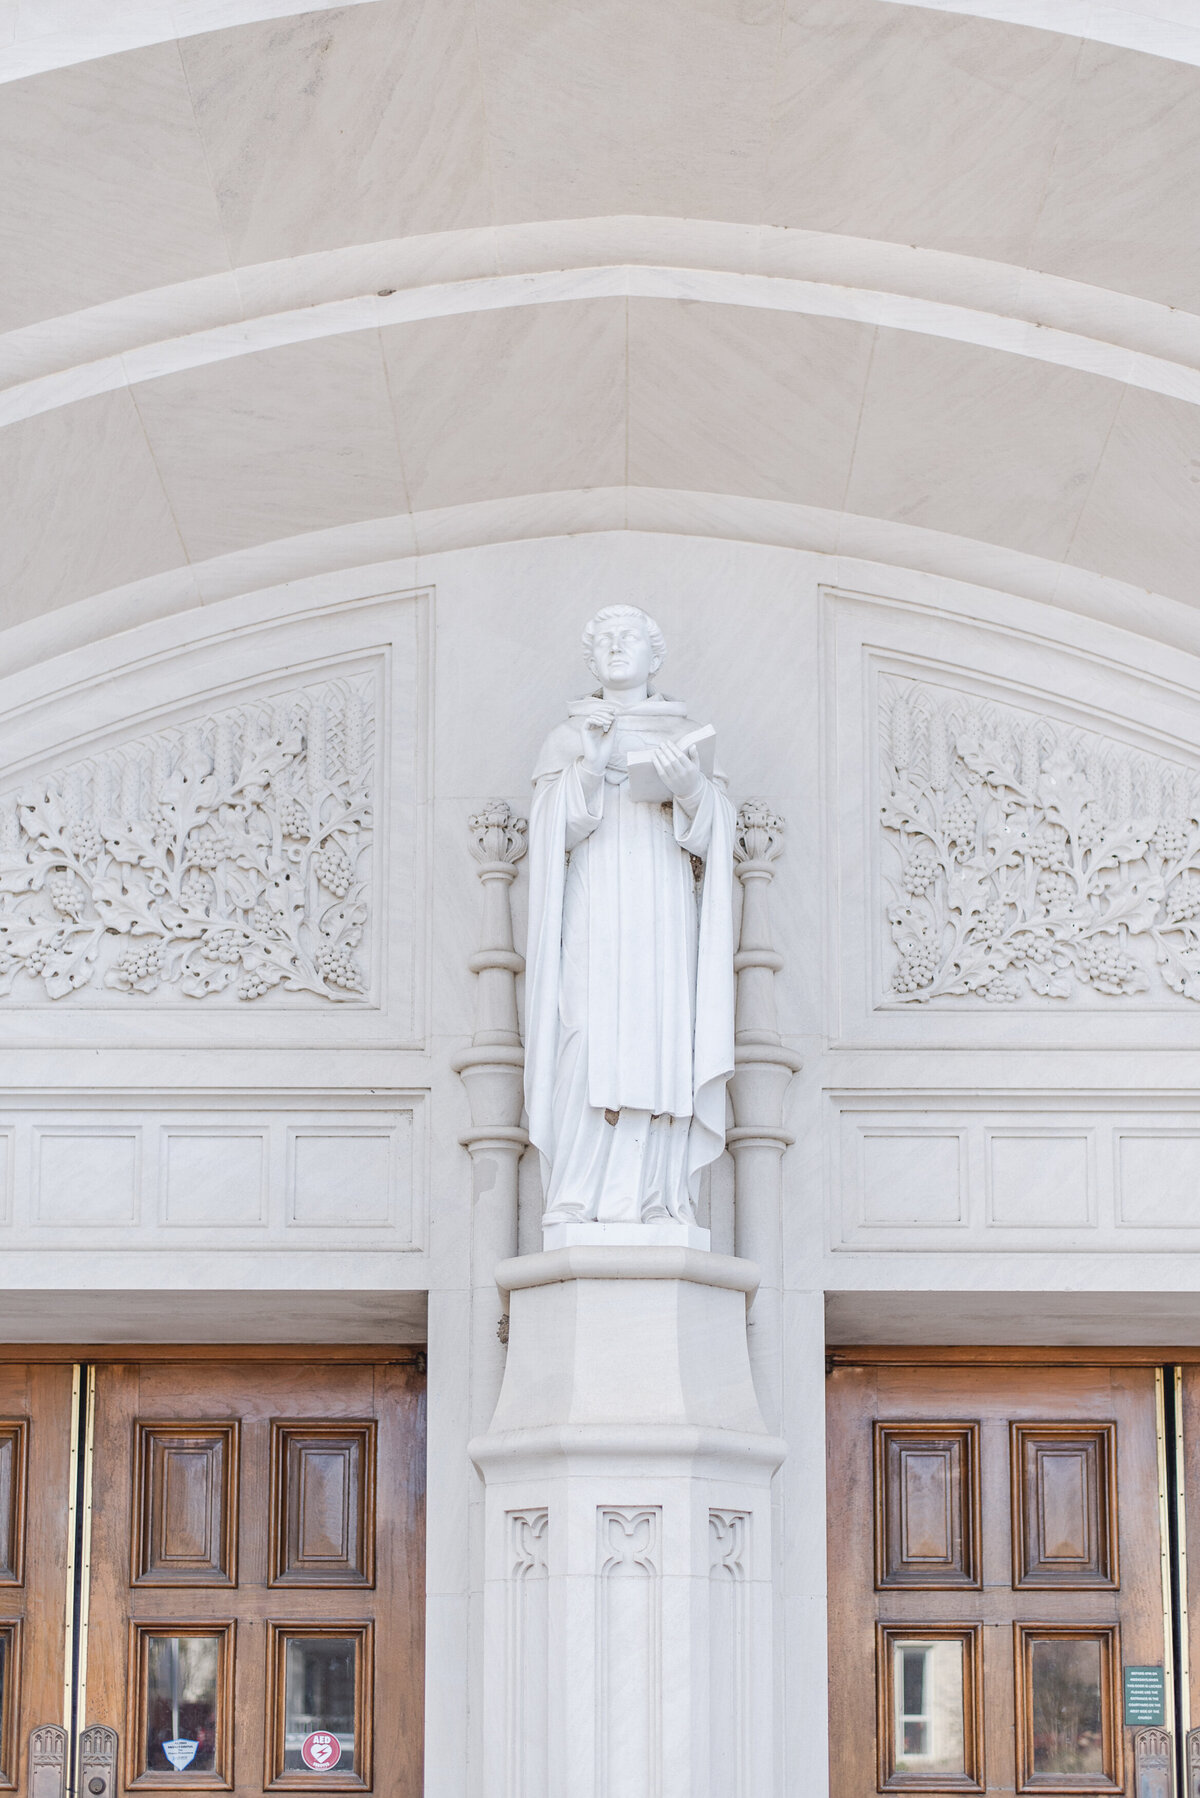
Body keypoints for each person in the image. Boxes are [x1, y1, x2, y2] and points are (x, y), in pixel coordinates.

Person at [524, 604, 735, 1229]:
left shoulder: (686, 733)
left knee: (660, 1037)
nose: (617, 647)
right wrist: (588, 768)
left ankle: (654, 1196)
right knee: (586, 1033)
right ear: (591, 659)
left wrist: (692, 788)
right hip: (594, 903)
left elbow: (718, 836)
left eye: (631, 637)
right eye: (605, 640)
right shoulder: (567, 737)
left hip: (662, 908)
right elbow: (548, 833)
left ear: (654, 655)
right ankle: (579, 1191)